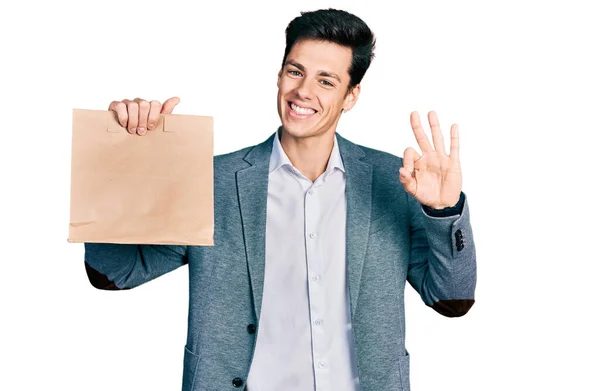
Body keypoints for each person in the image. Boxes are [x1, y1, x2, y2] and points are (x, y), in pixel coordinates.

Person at [84, 8, 476, 391]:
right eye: (295, 71)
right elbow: (113, 273)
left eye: (326, 81)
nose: (303, 91)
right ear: (279, 74)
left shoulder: (398, 182)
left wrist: (443, 212)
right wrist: (122, 154)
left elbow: (452, 298)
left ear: (351, 95)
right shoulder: (213, 181)